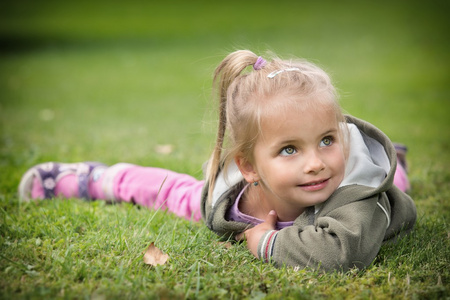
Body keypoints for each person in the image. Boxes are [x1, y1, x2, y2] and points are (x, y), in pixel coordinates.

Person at [18, 50, 416, 272]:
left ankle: (393, 162)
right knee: (175, 193)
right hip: (257, 190)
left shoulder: (354, 195)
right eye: (289, 149)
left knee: (390, 184)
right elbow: (166, 191)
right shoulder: (233, 191)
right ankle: (89, 178)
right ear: (248, 166)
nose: (316, 163)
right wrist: (98, 182)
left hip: (369, 190)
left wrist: (266, 242)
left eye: (327, 139)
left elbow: (339, 255)